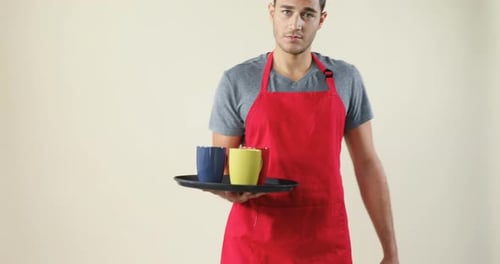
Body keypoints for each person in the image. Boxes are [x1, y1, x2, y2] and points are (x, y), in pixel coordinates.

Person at [207, 0, 399, 263]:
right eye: (287, 11)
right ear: (272, 12)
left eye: (307, 14)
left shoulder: (346, 78)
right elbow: (224, 166)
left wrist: (390, 252)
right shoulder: (237, 81)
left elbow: (367, 164)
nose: (295, 24)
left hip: (324, 240)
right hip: (255, 243)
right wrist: (231, 190)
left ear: (321, 19)